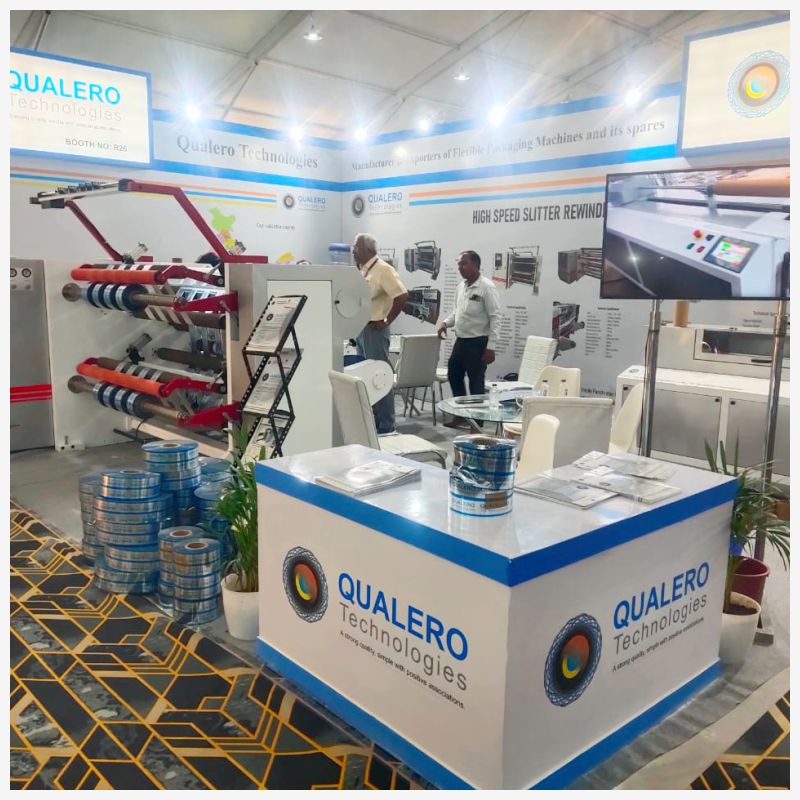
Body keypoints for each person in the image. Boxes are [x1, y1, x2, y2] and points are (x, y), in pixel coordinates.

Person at [437, 250, 502, 427]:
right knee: (454, 375)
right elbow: (457, 313)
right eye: (459, 264)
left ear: (475, 265)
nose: (460, 267)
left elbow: (495, 318)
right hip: (461, 341)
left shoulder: (486, 287)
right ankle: (461, 415)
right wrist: (445, 323)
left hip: (478, 342)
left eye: (464, 264)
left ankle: (477, 423)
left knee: (475, 382)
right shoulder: (461, 287)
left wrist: (491, 347)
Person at [353, 233, 409, 434]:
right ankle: (374, 422)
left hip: (375, 331)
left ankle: (386, 424)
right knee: (367, 377)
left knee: (379, 377)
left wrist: (386, 321)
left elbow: (402, 296)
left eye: (356, 247)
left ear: (368, 250)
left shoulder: (383, 269)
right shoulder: (363, 270)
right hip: (361, 329)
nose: (353, 251)